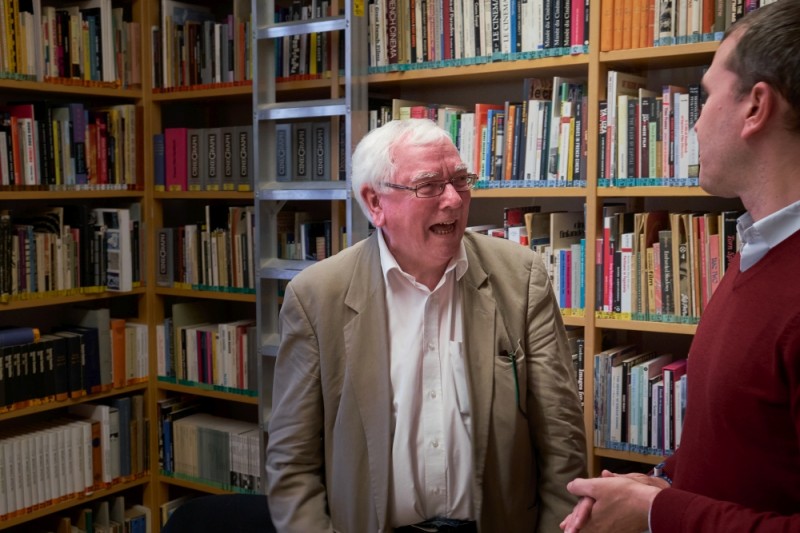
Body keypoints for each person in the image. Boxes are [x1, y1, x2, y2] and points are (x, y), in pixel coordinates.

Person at [266, 118, 587, 532]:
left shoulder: (521, 277)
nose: (453, 200)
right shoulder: (316, 297)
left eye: (460, 180)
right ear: (375, 202)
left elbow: (563, 441)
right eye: (429, 185)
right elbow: (292, 464)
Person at [560, 1, 800, 531]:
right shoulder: (756, 251)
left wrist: (657, 513)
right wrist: (666, 483)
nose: (693, 123)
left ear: (755, 107)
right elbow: (750, 448)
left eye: (708, 95)